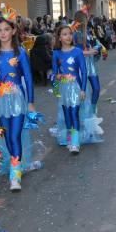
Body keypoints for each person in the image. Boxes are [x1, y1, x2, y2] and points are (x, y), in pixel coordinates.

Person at [0, 7, 36, 192]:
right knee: (5, 136)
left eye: (6, 29)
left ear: (13, 31)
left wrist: (30, 102)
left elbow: (28, 78)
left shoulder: (20, 52)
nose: (3, 33)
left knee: (14, 135)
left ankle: (15, 176)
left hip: (17, 98)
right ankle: (15, 164)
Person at [51, 25, 87, 154]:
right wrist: (57, 79)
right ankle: (70, 139)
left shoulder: (77, 51)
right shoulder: (56, 53)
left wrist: (83, 89)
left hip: (75, 87)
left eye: (70, 34)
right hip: (63, 88)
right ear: (59, 38)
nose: (68, 36)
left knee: (74, 113)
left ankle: (75, 143)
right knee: (66, 115)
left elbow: (83, 71)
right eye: (65, 34)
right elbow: (54, 73)